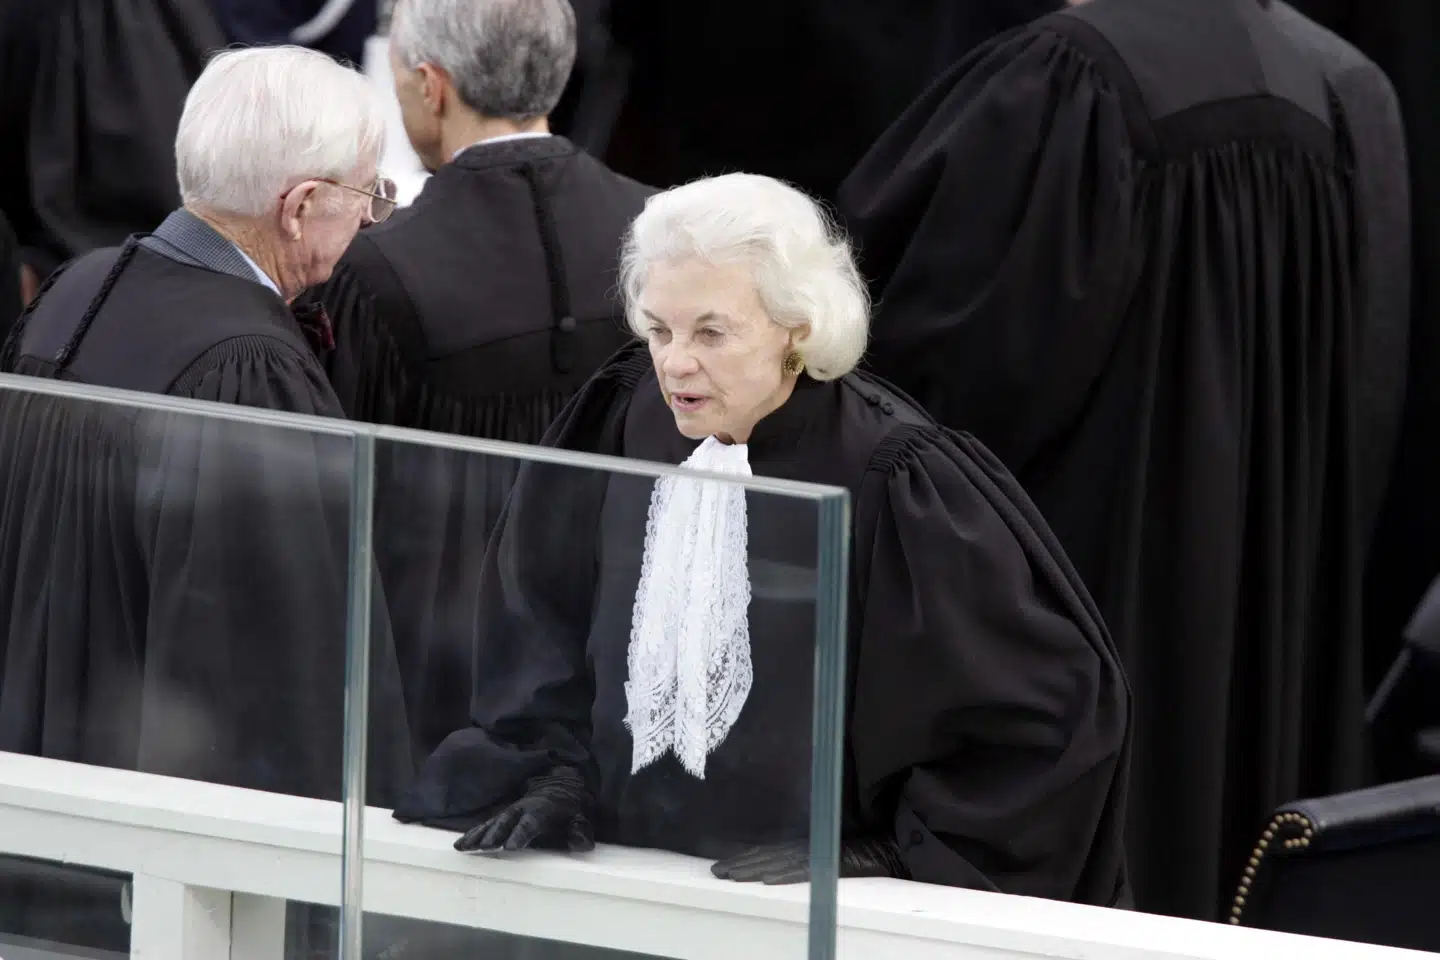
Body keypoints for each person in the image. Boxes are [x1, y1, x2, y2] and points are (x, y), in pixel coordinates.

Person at [393, 174, 1131, 907]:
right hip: (620, 876)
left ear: (798, 327)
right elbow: (540, 611)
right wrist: (558, 772)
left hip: (798, 909)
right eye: (658, 329)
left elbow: (1043, 714)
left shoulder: (894, 475)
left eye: (711, 332)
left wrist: (885, 851)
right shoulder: (621, 419)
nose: (675, 362)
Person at [836, 0, 1405, 920]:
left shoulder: (1064, 79)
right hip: (1248, 611)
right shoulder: (1320, 84)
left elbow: (921, 374)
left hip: (1074, 620)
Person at [0, 45, 412, 805]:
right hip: (150, 813)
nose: (369, 214)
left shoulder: (74, 290)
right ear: (298, 208)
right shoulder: (248, 369)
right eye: (367, 194)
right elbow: (280, 665)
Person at [296, 0, 654, 754]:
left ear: (431, 85)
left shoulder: (378, 272)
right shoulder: (660, 230)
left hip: (444, 682)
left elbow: (336, 504)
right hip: (626, 667)